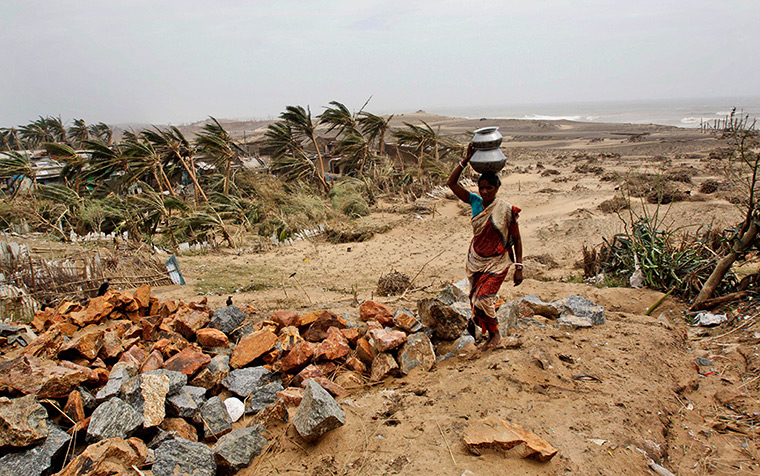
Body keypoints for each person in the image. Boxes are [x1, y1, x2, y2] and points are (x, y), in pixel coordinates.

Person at [447, 143, 523, 349]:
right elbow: (451, 183)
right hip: (477, 260)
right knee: (476, 301)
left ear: (497, 188)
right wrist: (465, 159)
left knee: (483, 299)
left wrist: (519, 267)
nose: (485, 191)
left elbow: (516, 238)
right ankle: (489, 335)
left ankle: (496, 334)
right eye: (482, 188)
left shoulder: (505, 209)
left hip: (498, 262)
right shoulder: (474, 202)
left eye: (489, 188)